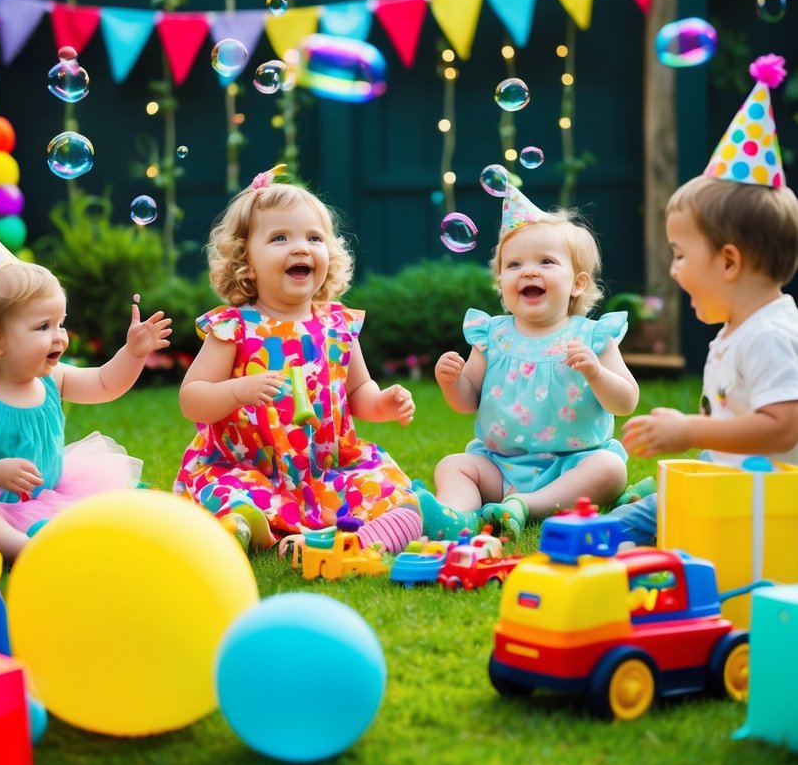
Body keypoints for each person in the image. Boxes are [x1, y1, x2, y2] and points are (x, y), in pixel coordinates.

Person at [174, 165, 421, 554]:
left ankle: (351, 540)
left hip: (326, 470)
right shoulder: (235, 328)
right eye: (279, 238)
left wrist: (381, 403)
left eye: (314, 238)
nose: (301, 248)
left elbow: (358, 390)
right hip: (248, 469)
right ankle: (248, 528)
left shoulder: (338, 325)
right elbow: (192, 397)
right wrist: (238, 391)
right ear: (246, 261)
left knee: (396, 496)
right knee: (234, 499)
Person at [614, 53, 798, 543]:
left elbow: (782, 429)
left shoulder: (771, 336)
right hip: (732, 494)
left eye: (679, 254)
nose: (674, 270)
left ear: (729, 262)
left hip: (764, 513)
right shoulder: (741, 330)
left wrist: (691, 432)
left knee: (620, 534)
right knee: (621, 524)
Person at [417, 180, 639, 540]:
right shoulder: (491, 336)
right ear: (501, 281)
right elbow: (466, 401)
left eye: (546, 262)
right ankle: (456, 515)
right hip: (499, 465)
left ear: (577, 284)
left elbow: (626, 401)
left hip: (573, 464)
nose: (528, 271)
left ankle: (526, 505)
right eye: (514, 264)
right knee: (454, 465)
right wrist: (452, 382)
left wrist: (596, 374)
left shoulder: (592, 337)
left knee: (610, 468)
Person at [0, 212, 172, 561]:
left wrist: (133, 353)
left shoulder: (52, 378)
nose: (59, 336)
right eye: (43, 326)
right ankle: (26, 550)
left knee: (103, 507)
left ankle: (63, 534)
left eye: (61, 323)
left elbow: (105, 383)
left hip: (51, 492)